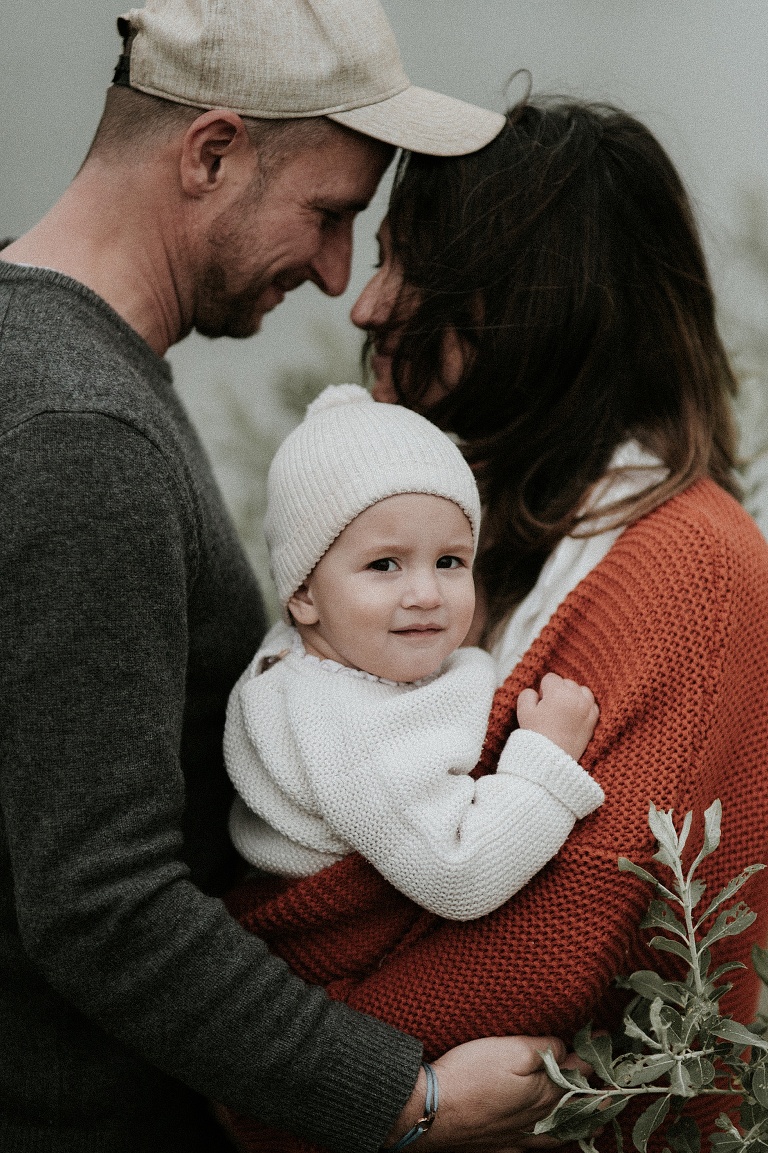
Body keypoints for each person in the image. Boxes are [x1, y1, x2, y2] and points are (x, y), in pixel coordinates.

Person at [0, 0, 584, 1148]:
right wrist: (403, 1101)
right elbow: (100, 903)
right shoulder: (80, 433)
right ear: (211, 152)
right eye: (329, 215)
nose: (333, 275)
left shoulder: (65, 371)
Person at [223, 97, 768, 1152]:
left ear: (533, 304)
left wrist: (257, 1074)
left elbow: (542, 959)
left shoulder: (688, 568)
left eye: (409, 267)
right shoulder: (480, 534)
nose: (366, 305)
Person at [225, 383, 602, 919]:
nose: (426, 595)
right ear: (303, 593)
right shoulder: (348, 733)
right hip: (355, 948)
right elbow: (459, 874)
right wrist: (546, 758)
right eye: (384, 565)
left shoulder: (323, 648)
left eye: (450, 561)